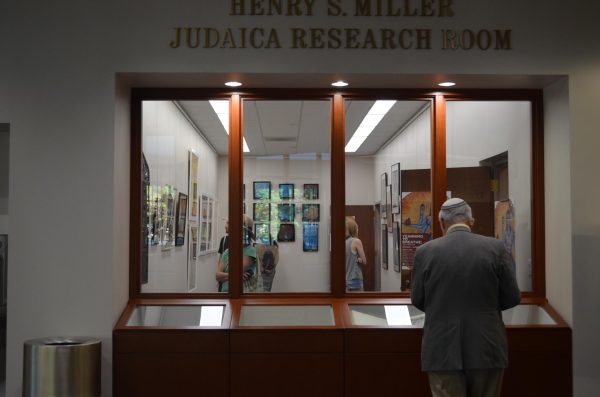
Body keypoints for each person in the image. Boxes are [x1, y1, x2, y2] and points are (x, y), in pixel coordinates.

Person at [411, 198, 521, 397]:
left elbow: (418, 299)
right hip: (487, 346)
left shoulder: (424, 252)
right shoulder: (496, 248)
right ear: (471, 220)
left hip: (442, 348)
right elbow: (512, 297)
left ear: (442, 223)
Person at [216, 215, 258, 292]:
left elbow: (237, 271)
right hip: (225, 294)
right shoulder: (227, 252)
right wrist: (235, 275)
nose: (225, 226)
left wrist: (225, 276)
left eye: (229, 223)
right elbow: (218, 276)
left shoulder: (251, 251)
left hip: (241, 296)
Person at [345, 217, 368, 292]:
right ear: (354, 229)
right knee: (358, 303)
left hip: (346, 279)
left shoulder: (345, 242)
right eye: (357, 228)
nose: (358, 230)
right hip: (355, 278)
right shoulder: (356, 241)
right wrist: (360, 260)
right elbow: (364, 261)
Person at [216, 219, 229, 292]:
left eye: (228, 223)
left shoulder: (243, 243)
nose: (225, 226)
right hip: (223, 282)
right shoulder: (223, 240)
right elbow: (220, 260)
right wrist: (219, 275)